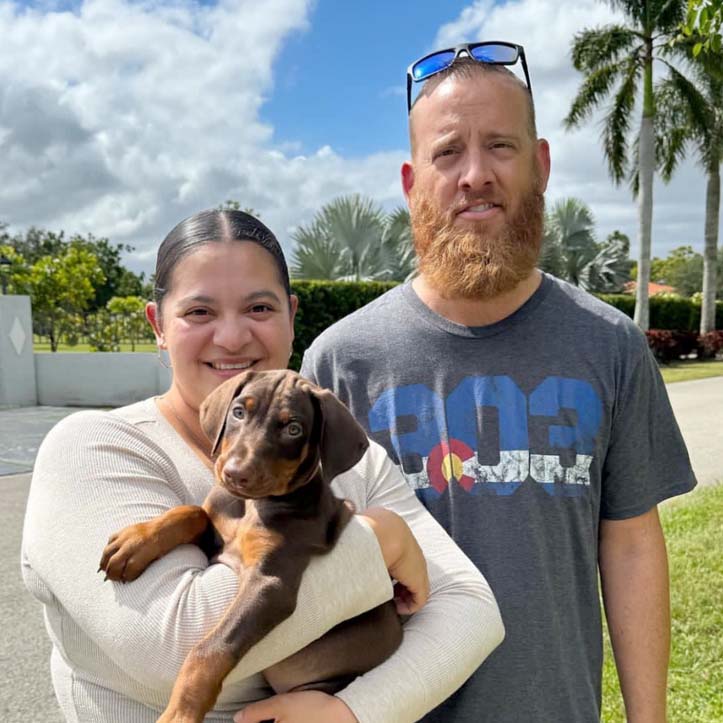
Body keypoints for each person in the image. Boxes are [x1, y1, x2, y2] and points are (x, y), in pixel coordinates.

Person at [301, 46, 697, 723]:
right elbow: (302, 562)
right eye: (447, 152)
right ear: (410, 182)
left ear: (539, 164)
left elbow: (630, 543)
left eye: (500, 146)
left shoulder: (608, 346)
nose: (474, 175)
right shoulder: (341, 363)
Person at [21, 208, 504, 723]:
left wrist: (354, 711)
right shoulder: (94, 448)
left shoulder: (346, 456)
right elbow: (167, 648)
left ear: (292, 317)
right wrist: (379, 538)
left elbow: (471, 609)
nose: (232, 338)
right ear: (157, 325)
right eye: (199, 312)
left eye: (258, 307)